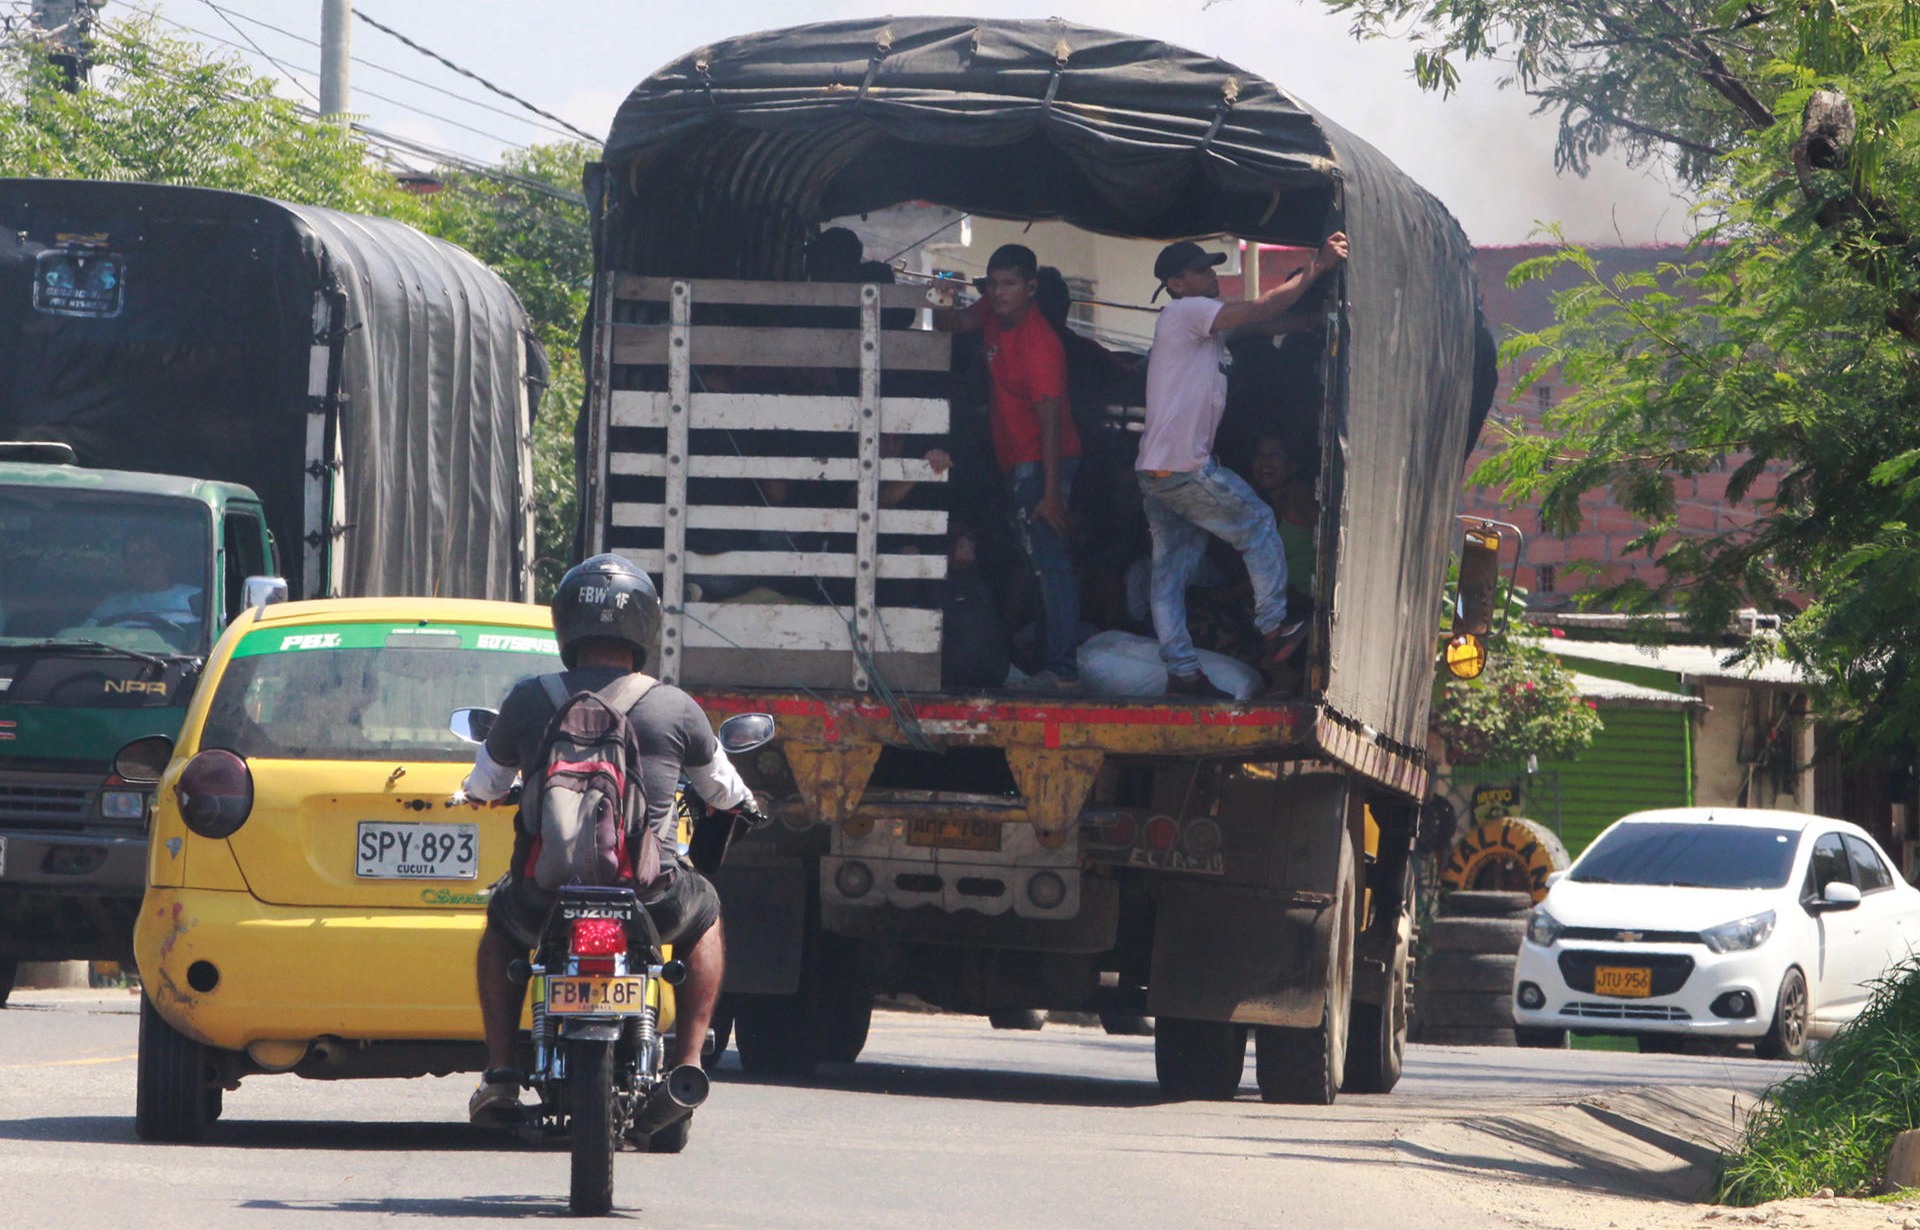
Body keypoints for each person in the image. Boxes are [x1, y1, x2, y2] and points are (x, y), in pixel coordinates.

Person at [458, 553, 758, 1128]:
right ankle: (689, 1063)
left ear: (565, 624)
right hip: (649, 895)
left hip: (545, 894)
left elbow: (485, 784)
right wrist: (748, 805)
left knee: (500, 923)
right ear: (646, 625)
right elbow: (724, 792)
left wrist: (475, 796)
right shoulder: (676, 706)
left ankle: (499, 1072)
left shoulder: (528, 699)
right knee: (707, 913)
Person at [1136, 234, 1348, 699]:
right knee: (1256, 521)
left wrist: (1308, 320)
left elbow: (1251, 329)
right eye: (1199, 270)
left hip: (1156, 472)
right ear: (1175, 283)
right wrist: (1318, 266)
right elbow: (1259, 311)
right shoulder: (1187, 312)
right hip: (1185, 467)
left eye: (1211, 267)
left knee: (1169, 575)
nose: (1211, 275)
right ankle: (1275, 627)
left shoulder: (1191, 327)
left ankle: (1182, 671)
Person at [935, 243, 1084, 692]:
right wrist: (942, 293)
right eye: (992, 284)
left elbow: (1052, 421)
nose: (998, 293)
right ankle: (1047, 661)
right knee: (1034, 562)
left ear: (1031, 287)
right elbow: (953, 323)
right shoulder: (991, 313)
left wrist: (1052, 493)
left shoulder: (1040, 343)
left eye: (1009, 285)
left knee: (1050, 563)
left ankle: (1062, 671)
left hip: (1042, 462)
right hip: (1017, 460)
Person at [87, 528, 201, 632]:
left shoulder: (197, 598)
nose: (143, 563)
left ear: (166, 559)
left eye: (149, 555)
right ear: (126, 563)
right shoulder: (112, 605)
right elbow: (86, 637)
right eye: (133, 557)